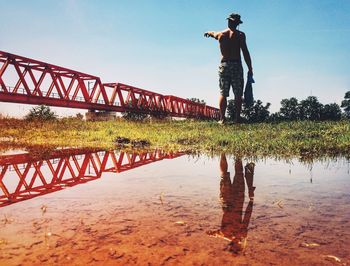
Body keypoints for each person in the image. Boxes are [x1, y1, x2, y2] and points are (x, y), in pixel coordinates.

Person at [204, 13, 253, 124]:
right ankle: (237, 118)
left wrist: (208, 32)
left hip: (224, 65)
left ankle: (222, 119)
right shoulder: (240, 35)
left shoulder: (221, 34)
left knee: (223, 93)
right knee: (238, 93)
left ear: (228, 21)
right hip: (236, 65)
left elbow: (212, 33)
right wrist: (250, 68)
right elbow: (245, 52)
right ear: (237, 23)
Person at [207, 153, 256, 254]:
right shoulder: (240, 234)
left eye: (235, 244)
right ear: (241, 244)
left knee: (225, 175)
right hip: (237, 201)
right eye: (239, 244)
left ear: (232, 244)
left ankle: (223, 151)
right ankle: (236, 152)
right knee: (238, 173)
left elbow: (214, 234)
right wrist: (251, 202)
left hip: (227, 201)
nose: (238, 242)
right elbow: (247, 217)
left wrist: (213, 234)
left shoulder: (225, 234)